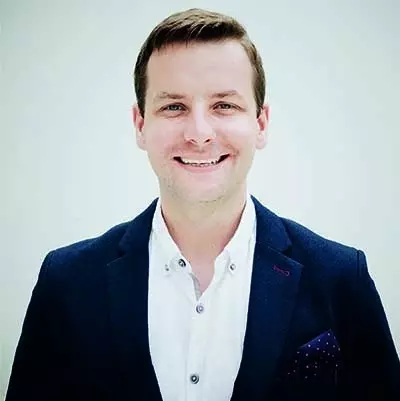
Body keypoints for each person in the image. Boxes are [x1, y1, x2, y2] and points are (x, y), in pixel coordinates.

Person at [6, 8, 400, 401]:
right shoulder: (67, 283)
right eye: (173, 107)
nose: (199, 133)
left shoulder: (341, 278)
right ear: (140, 125)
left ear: (261, 123)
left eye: (224, 105)